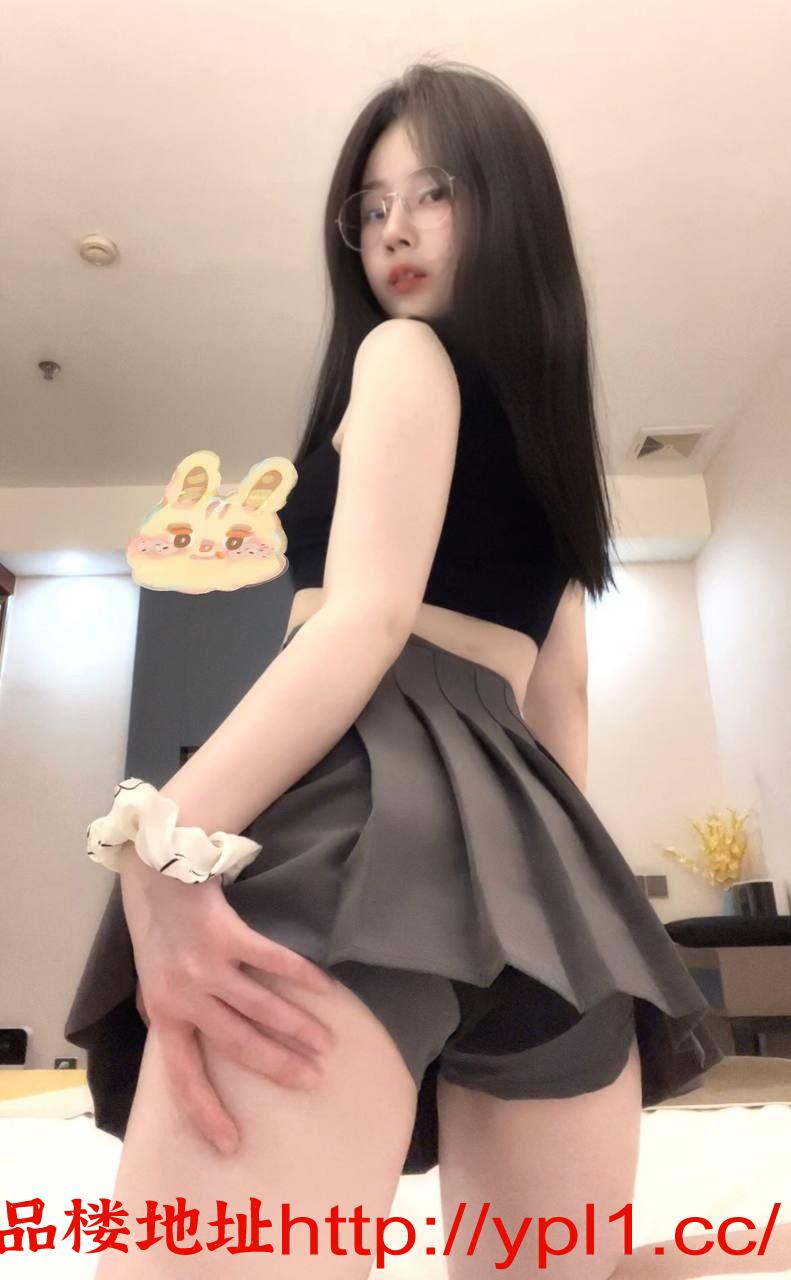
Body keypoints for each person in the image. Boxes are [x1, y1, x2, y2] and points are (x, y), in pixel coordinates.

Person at [66, 60, 728, 1279]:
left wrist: (157, 843)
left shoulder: (401, 355)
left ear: (505, 205)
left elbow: (363, 623)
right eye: (369, 208)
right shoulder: (551, 444)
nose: (394, 231)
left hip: (364, 799)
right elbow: (558, 699)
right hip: (542, 858)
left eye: (434, 193)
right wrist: (561, 901)